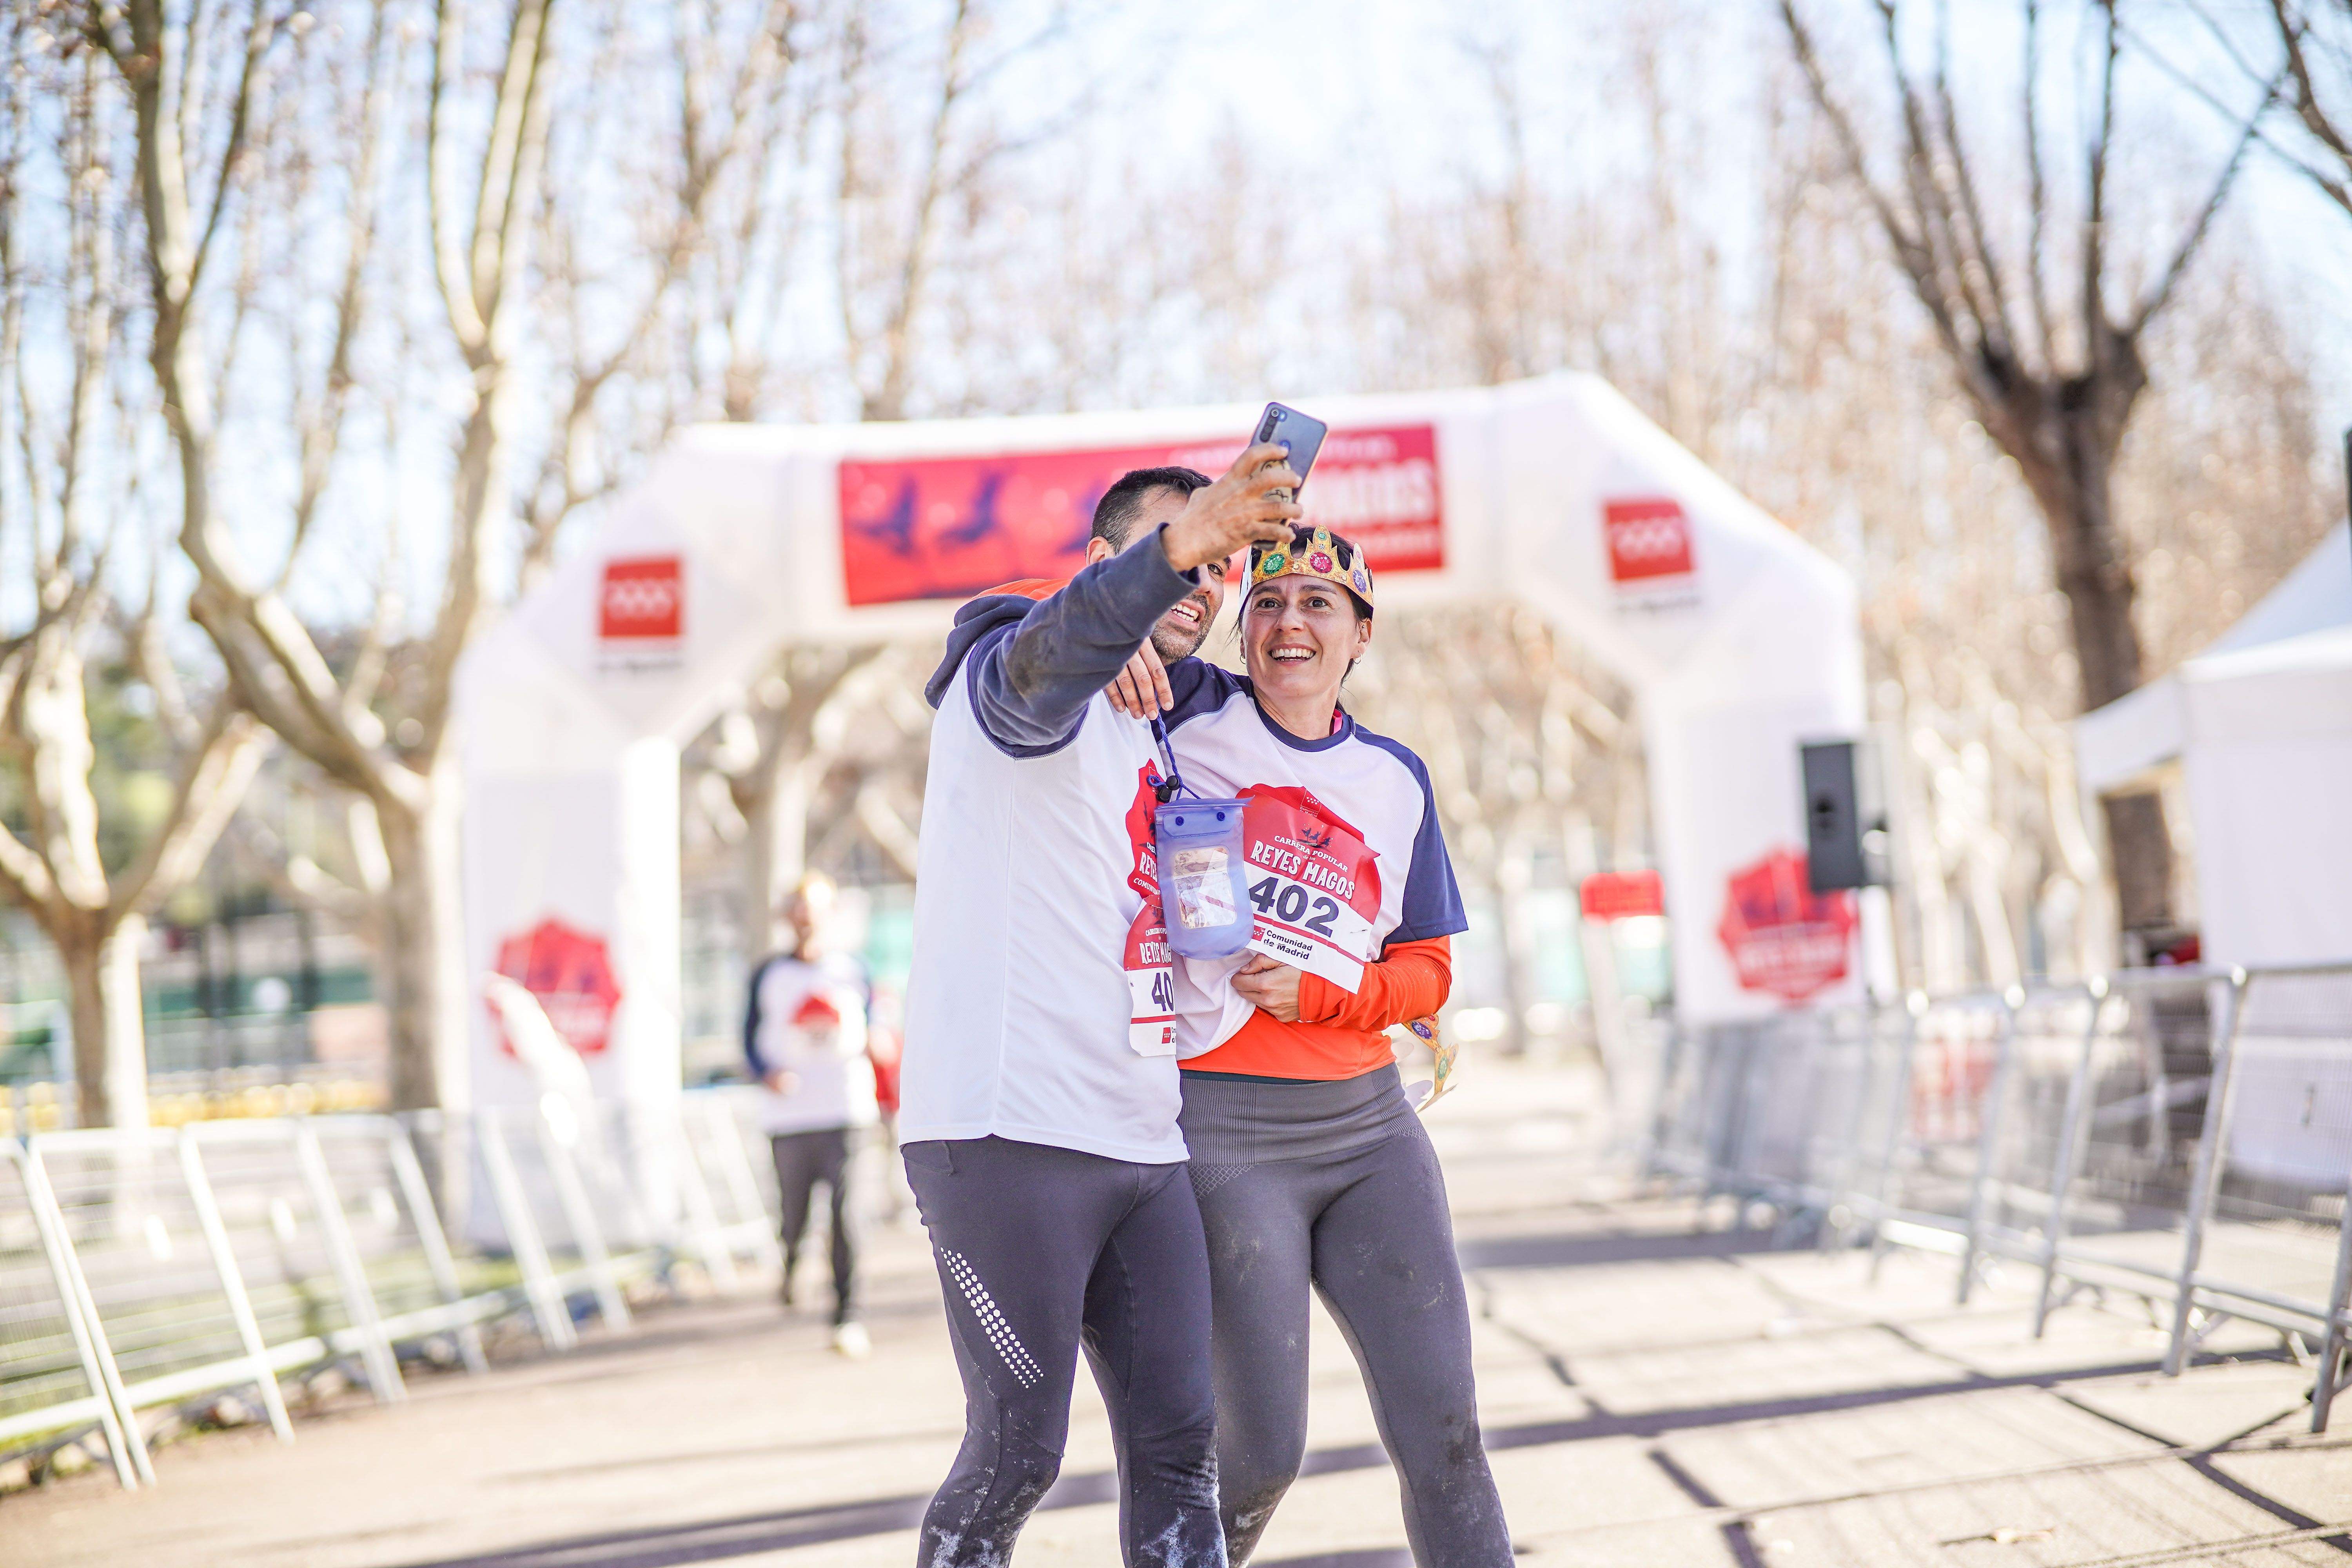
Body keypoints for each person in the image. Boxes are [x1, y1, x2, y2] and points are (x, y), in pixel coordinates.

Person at [897, 440, 1302, 1567]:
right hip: (1004, 1131)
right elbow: (1039, 657)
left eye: (1219, 569)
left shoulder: (1148, 719)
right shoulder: (1015, 681)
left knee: (1183, 1449)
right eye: (1185, 557)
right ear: (1099, 564)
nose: (1205, 585)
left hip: (1140, 1138)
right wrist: (1175, 556)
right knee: (1017, 1451)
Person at [1107, 524, 1516, 1566]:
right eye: (1272, 607)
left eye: (1320, 606)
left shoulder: (1395, 775)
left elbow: (1427, 975)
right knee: (1259, 1455)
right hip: (1228, 1135)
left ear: (1360, 636)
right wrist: (1124, 628)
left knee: (1449, 1441)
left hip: (1372, 1134)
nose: (1291, 624)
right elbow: (1087, 633)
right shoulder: (1188, 715)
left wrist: (1330, 995)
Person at [742, 873, 877, 1358]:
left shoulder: (854, 971)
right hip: (790, 1117)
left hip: (845, 1111)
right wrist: (768, 1073)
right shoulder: (769, 976)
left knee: (845, 1214)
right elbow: (749, 1041)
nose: (805, 920)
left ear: (830, 914)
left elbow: (875, 1026)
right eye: (797, 910)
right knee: (794, 1213)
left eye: (814, 909)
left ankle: (847, 1315)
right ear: (787, 918)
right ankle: (791, 1258)